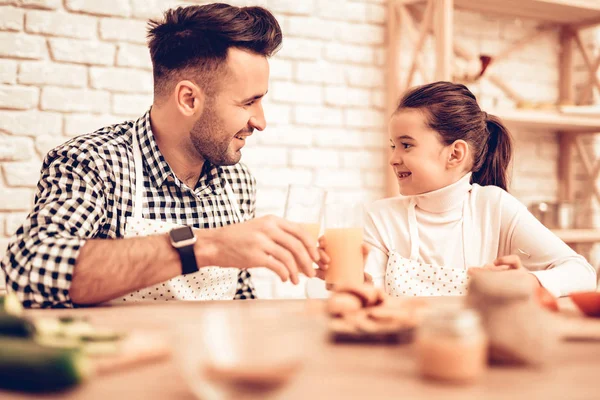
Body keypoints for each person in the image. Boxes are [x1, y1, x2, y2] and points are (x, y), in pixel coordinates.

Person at [1, 3, 320, 308]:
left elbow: (240, 299)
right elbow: (29, 272)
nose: (260, 122)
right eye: (248, 102)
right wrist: (207, 244)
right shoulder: (95, 163)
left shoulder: (237, 181)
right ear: (189, 99)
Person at [362, 81, 597, 298]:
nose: (393, 158)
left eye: (406, 145)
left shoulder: (494, 207)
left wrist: (526, 282)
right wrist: (346, 281)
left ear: (455, 154)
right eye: (393, 146)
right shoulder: (381, 217)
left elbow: (582, 273)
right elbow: (370, 297)